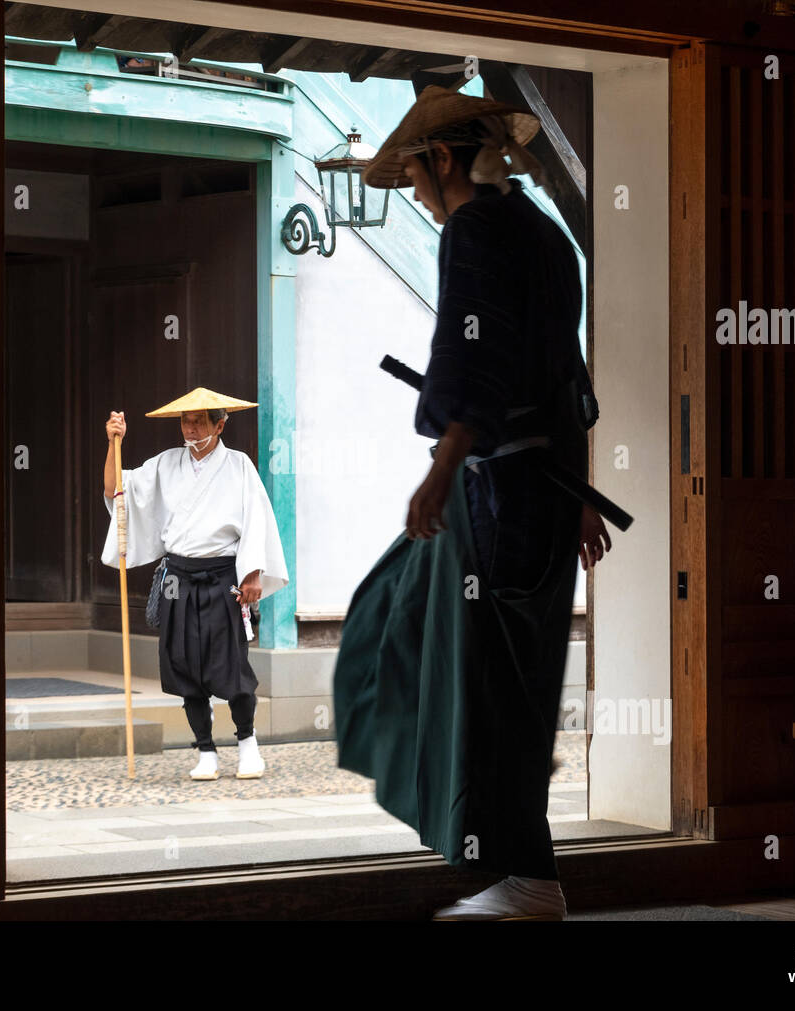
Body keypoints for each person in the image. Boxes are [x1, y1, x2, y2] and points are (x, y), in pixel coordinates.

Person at [332, 86, 614, 920]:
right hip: (548, 486)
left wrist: (443, 467)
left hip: (499, 489)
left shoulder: (475, 229)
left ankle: (526, 877)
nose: (415, 191)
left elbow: (471, 361)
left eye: (415, 173)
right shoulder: (547, 236)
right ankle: (523, 872)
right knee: (507, 679)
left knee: (458, 667)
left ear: (445, 160)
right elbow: (571, 381)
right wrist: (583, 495)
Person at [102, 387, 289, 781]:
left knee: (233, 665)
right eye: (186, 420)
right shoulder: (165, 464)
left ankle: (247, 744)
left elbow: (257, 519)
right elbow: (117, 491)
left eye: (200, 420)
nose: (190, 427)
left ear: (220, 425)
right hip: (178, 579)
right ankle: (205, 749)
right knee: (184, 662)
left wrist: (252, 573)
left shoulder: (239, 465)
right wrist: (113, 442)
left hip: (223, 577)